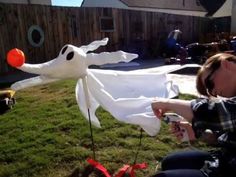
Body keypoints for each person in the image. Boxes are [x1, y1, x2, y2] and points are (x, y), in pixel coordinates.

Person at [151, 53, 236, 177]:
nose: (213, 93)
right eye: (208, 90)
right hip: (226, 158)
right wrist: (198, 134)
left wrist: (167, 103)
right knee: (170, 162)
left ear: (226, 64)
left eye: (210, 83)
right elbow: (228, 134)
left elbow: (213, 112)